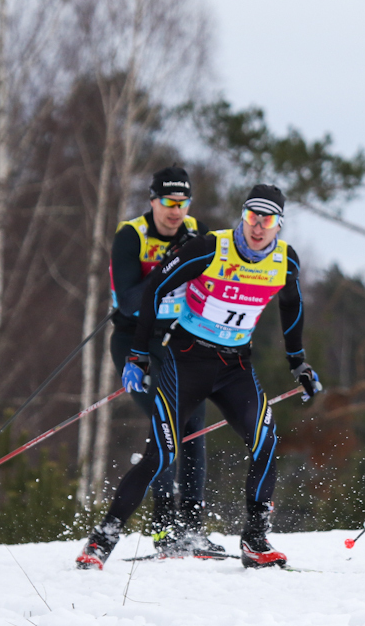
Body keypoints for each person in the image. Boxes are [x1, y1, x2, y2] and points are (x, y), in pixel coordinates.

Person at [77, 184, 322, 570]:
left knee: (265, 440)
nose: (258, 227)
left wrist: (298, 362)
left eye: (268, 220)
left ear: (279, 225)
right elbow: (154, 287)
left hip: (235, 367)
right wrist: (139, 354)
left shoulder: (285, 261)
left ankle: (255, 541)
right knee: (162, 454)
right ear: (244, 216)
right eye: (252, 217)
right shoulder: (211, 247)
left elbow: (291, 305)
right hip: (186, 361)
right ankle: (101, 541)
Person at [107, 166, 214, 556]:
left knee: (194, 425)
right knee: (165, 417)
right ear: (152, 201)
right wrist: (171, 268)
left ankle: (192, 527)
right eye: (168, 203)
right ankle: (164, 525)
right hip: (135, 342)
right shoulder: (130, 235)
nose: (175, 211)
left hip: (180, 340)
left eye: (182, 203)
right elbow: (129, 301)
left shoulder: (196, 232)